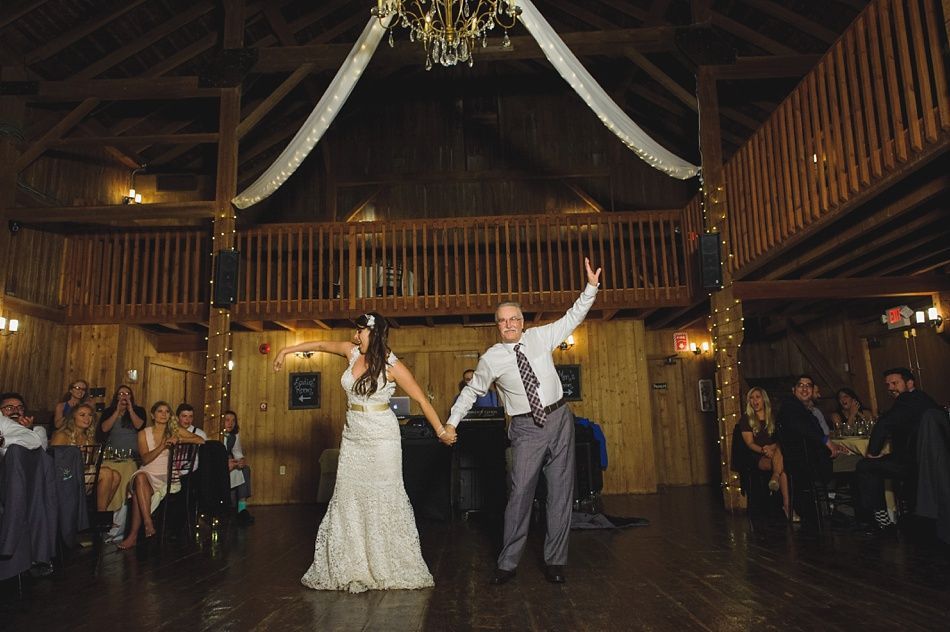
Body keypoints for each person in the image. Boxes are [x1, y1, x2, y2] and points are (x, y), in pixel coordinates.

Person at [447, 257, 602, 585]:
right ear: (497, 325)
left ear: (521, 320)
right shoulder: (491, 359)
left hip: (560, 417)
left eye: (514, 318)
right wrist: (451, 423)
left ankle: (556, 561)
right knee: (520, 494)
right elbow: (471, 392)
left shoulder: (540, 338)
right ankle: (507, 562)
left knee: (561, 491)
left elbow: (574, 315)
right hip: (525, 427)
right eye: (502, 321)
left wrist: (591, 287)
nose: (509, 324)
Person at [273, 312, 454, 592]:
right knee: (349, 494)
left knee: (382, 495)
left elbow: (420, 398)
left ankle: (387, 563)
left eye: (360, 332)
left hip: (382, 436)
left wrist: (441, 431)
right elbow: (321, 345)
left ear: (375, 333)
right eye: (355, 332)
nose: (355, 336)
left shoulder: (393, 365)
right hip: (353, 433)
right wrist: (287, 349)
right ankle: (353, 564)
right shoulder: (350, 352)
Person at [855, 368, 939, 535]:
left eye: (895, 383)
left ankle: (881, 522)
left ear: (909, 383)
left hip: (913, 464)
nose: (891, 388)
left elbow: (884, 423)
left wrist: (872, 452)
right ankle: (901, 513)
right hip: (930, 463)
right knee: (882, 461)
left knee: (865, 466)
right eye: (888, 385)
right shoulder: (926, 400)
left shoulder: (907, 398)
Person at [117, 401, 205, 550]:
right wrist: (163, 446)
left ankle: (133, 535)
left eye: (167, 412)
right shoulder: (143, 433)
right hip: (148, 471)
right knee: (140, 478)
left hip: (168, 475)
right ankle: (148, 522)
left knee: (139, 491)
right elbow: (145, 459)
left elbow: (200, 440)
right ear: (153, 415)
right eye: (160, 411)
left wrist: (180, 439)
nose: (164, 414)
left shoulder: (175, 431)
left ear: (170, 415)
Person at [776, 375, 848, 531]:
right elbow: (802, 428)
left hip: (811, 460)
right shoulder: (791, 408)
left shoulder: (805, 410)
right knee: (861, 464)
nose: (804, 388)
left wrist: (831, 443)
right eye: (800, 385)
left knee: (853, 458)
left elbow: (814, 431)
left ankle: (837, 507)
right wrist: (825, 442)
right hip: (808, 464)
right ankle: (848, 511)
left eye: (808, 386)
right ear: (794, 390)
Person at [50, 402, 121, 511]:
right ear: (73, 418)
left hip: (84, 472)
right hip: (66, 475)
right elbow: (53, 461)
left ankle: (97, 512)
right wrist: (75, 454)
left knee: (116, 475)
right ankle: (101, 515)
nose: (87, 418)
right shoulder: (62, 435)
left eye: (90, 415)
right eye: (82, 415)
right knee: (106, 473)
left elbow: (91, 462)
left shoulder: (89, 437)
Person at [740, 387, 790, 519]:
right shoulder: (746, 419)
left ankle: (775, 477)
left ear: (764, 399)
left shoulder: (774, 416)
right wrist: (764, 450)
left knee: (781, 459)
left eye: (758, 397)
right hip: (759, 455)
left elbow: (781, 439)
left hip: (775, 452)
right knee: (784, 466)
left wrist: (771, 448)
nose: (755, 401)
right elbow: (750, 444)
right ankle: (788, 507)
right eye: (752, 398)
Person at [222, 410, 254, 525]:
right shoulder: (217, 435)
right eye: (227, 420)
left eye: (233, 421)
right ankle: (233, 508)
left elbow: (237, 451)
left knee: (245, 469)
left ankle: (242, 508)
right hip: (220, 465)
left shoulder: (234, 436)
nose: (230, 423)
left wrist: (241, 461)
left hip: (231, 462)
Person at [98, 385, 147, 458]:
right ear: (117, 397)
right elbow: (104, 429)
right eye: (121, 394)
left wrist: (130, 409)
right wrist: (117, 411)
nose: (124, 396)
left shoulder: (139, 410)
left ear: (131, 397)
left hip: (133, 453)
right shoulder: (108, 411)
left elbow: (139, 426)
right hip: (112, 452)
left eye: (127, 394)